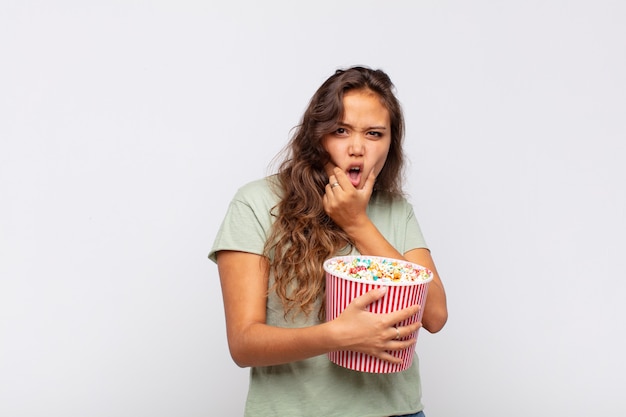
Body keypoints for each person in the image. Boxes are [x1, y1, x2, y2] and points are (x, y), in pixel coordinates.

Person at [209, 66, 448, 417]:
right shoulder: (257, 203)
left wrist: (357, 223)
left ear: (389, 143)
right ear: (317, 136)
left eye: (374, 133)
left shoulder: (396, 210)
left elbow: (435, 315)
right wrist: (337, 336)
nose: (357, 148)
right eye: (341, 130)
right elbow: (244, 344)